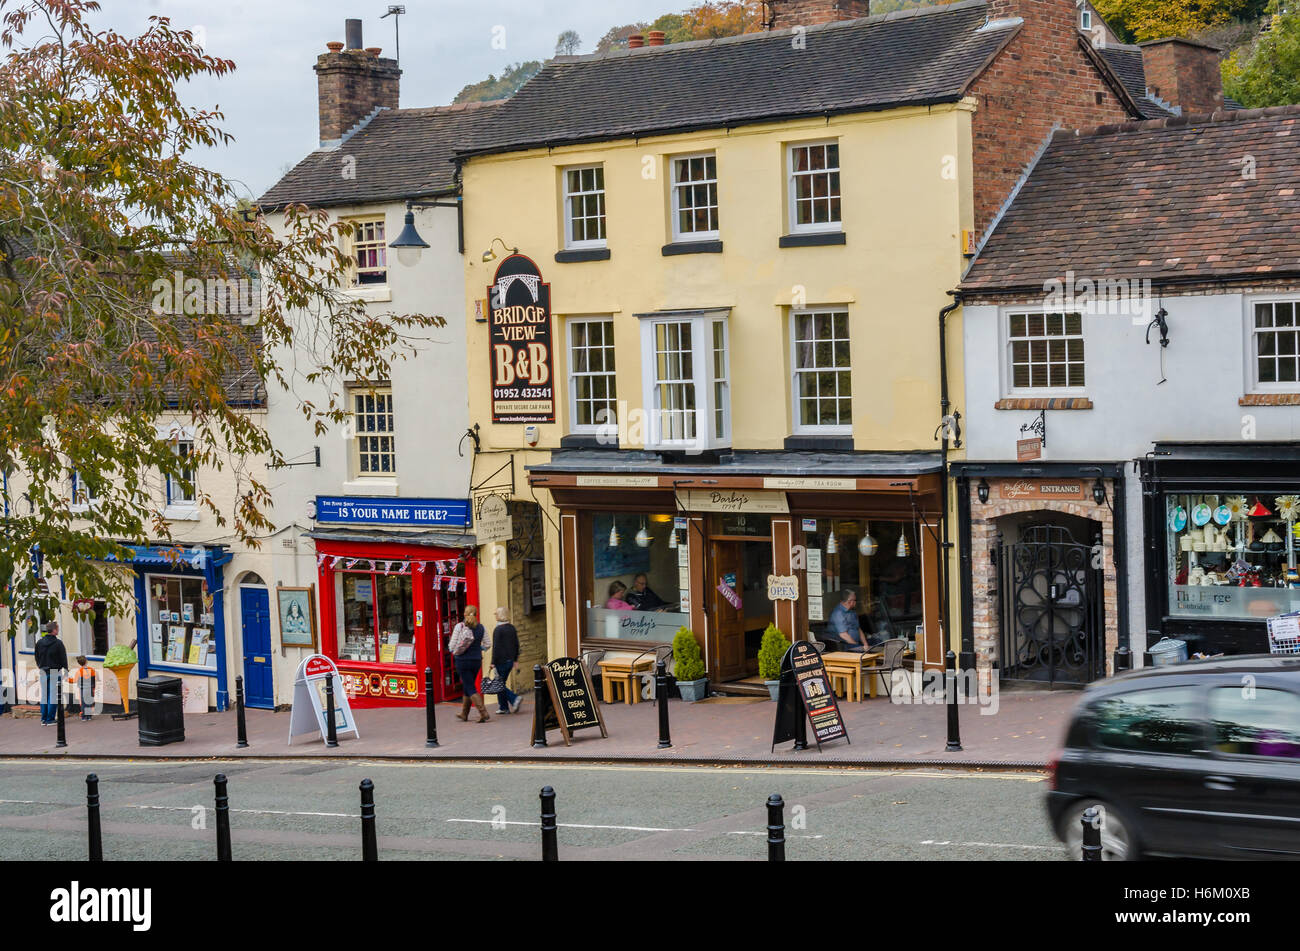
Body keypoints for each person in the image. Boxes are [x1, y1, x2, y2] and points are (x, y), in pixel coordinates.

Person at [453, 606, 490, 723]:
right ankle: (464, 713)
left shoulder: (460, 626)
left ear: (465, 614)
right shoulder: (481, 628)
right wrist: (478, 648)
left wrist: (454, 651)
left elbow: (453, 644)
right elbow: (488, 644)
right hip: (476, 661)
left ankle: (483, 712)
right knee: (467, 685)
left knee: (470, 687)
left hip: (462, 661)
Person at [34, 620, 68, 725]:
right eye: (57, 629)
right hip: (54, 671)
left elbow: (36, 656)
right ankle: (50, 719)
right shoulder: (58, 643)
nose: (58, 630)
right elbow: (63, 658)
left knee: (44, 695)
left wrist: (40, 666)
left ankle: (43, 719)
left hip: (43, 670)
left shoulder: (39, 642)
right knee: (52, 696)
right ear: (54, 630)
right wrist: (66, 669)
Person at [491, 607, 523, 715]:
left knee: (499, 684)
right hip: (510, 661)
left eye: (496, 614)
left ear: (499, 616)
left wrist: (492, 662)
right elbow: (516, 645)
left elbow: (496, 648)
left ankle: (514, 698)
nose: (495, 616)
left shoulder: (498, 630)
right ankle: (504, 707)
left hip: (501, 661)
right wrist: (515, 659)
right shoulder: (511, 628)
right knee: (500, 683)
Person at [68, 655, 96, 720]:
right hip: (90, 688)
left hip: (82, 689)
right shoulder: (91, 670)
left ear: (79, 663)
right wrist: (94, 688)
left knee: (83, 703)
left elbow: (74, 681)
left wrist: (68, 679)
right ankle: (89, 716)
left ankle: (84, 717)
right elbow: (94, 680)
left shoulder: (79, 671)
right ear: (86, 661)